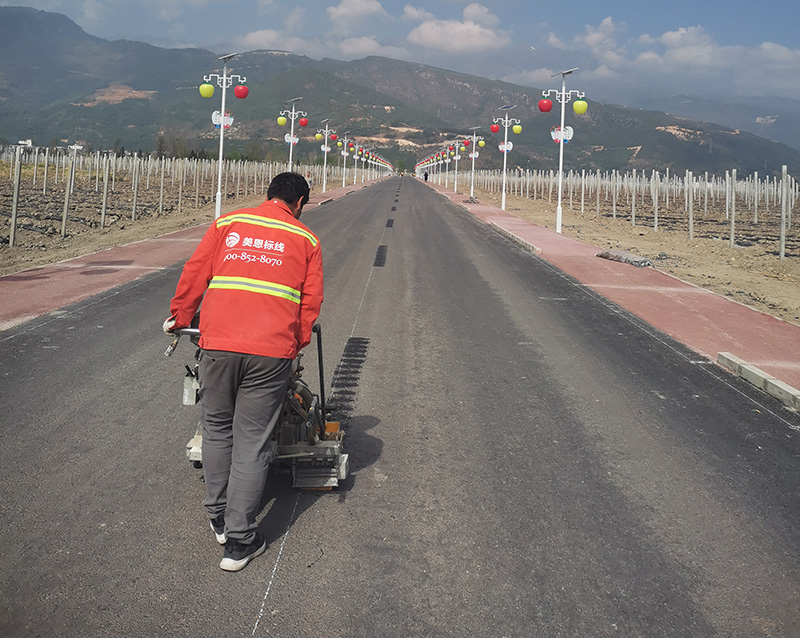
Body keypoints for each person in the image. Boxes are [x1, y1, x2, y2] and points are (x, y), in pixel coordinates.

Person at [164, 172, 323, 572]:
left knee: (217, 427)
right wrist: (294, 344)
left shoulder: (227, 224)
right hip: (270, 353)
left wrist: (180, 317)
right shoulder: (306, 240)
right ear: (300, 203)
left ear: (267, 196)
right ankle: (239, 541)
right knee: (252, 441)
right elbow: (309, 303)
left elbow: (195, 272)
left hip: (216, 344)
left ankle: (217, 517)